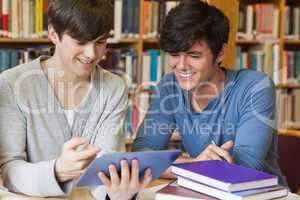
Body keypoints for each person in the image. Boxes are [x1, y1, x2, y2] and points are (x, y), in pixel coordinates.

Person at [0, 0, 151, 198]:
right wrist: (57, 170)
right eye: (80, 42)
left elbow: (105, 166)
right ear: (54, 34)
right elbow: (9, 171)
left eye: (100, 42)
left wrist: (116, 194)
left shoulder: (114, 87)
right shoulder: (12, 84)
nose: (91, 54)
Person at [133, 0, 286, 185]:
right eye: (174, 55)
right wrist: (196, 165)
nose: (181, 66)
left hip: (259, 195)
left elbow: (245, 168)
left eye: (194, 56)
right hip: (204, 191)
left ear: (220, 53)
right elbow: (141, 155)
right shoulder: (169, 86)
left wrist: (180, 166)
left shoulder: (255, 87)